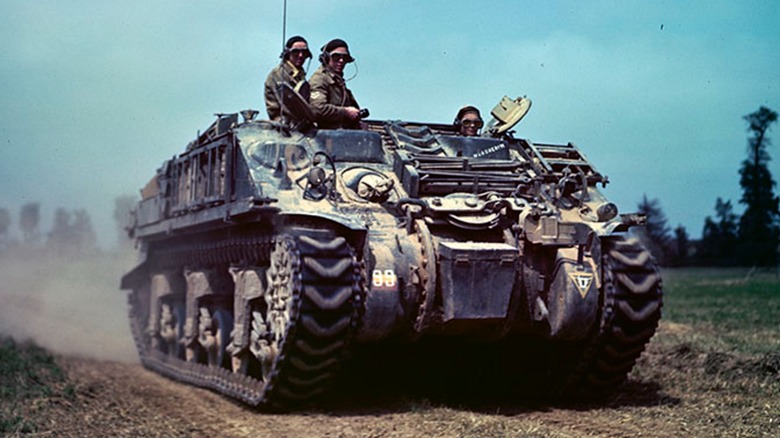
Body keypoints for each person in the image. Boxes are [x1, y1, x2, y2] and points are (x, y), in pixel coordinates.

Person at [309, 38, 362, 129]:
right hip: (326, 135)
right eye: (336, 57)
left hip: (341, 133)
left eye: (344, 58)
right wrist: (345, 112)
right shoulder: (319, 79)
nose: (341, 61)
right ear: (326, 58)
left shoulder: (338, 81)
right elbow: (317, 109)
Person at [264, 35, 312, 122]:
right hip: (284, 125)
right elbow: (288, 106)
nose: (301, 55)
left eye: (304, 52)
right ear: (287, 53)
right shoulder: (278, 74)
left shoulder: (299, 74)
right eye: (295, 52)